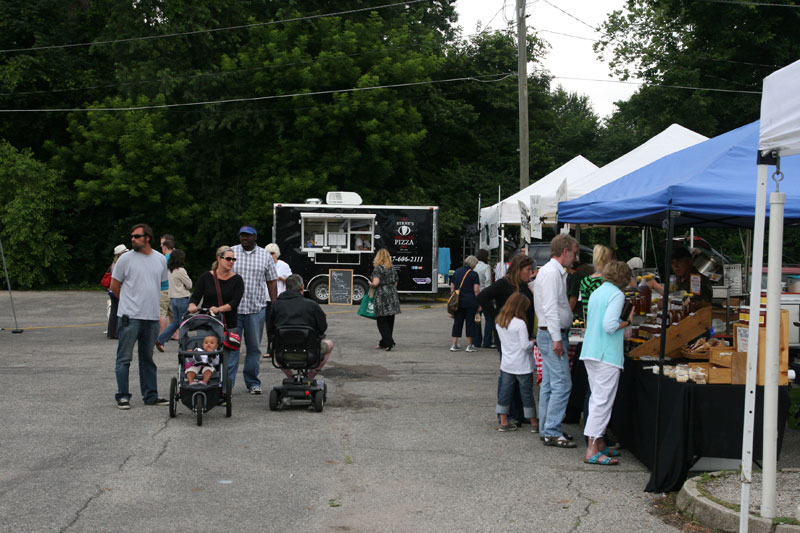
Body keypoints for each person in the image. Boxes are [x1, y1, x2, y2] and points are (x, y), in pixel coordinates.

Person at [110, 223, 169, 409]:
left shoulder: (160, 259)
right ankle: (123, 396)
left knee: (147, 358)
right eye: (132, 236)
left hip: (151, 317)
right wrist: (129, 304)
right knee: (124, 358)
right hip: (130, 317)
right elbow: (114, 286)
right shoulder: (125, 260)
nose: (133, 239)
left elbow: (162, 286)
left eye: (137, 236)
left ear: (147, 238)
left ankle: (150, 395)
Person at [581, 260, 634, 465]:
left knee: (597, 399)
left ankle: (599, 443)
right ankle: (592, 449)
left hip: (591, 351)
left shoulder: (599, 291)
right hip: (606, 354)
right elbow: (610, 325)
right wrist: (627, 322)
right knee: (602, 403)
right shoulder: (617, 294)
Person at [477, 254, 536, 427]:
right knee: (508, 378)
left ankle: (520, 413)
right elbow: (482, 297)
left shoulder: (524, 285)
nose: (530, 273)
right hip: (509, 337)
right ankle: (507, 414)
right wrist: (497, 317)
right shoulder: (504, 284)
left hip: (522, 334)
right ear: (519, 270)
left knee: (522, 380)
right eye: (527, 270)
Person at [533, 233, 578, 448]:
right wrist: (557, 339)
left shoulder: (551, 272)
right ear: (565, 251)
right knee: (562, 384)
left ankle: (547, 428)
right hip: (552, 333)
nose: (574, 258)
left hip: (550, 332)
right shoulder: (552, 273)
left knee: (551, 384)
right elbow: (550, 308)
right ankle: (551, 430)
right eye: (574, 253)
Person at [231, 226, 278, 394]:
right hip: (233, 310)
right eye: (242, 235)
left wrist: (274, 304)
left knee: (254, 348)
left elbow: (272, 280)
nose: (244, 238)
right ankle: (227, 385)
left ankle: (252, 382)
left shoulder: (265, 256)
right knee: (231, 347)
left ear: (255, 237)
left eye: (248, 236)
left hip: (256, 309)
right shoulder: (231, 253)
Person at [188, 246, 245, 387]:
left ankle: (225, 389)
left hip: (228, 323)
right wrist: (192, 305)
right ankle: (208, 384)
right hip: (208, 323)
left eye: (233, 259)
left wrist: (219, 309)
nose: (231, 262)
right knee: (206, 355)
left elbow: (234, 302)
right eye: (228, 259)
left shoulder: (237, 280)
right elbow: (195, 296)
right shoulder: (206, 277)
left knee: (227, 359)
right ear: (219, 259)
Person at [268, 274, 334, 378]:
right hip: (309, 351)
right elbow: (322, 327)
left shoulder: (276, 305)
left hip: (283, 352)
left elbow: (270, 329)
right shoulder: (312, 305)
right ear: (302, 287)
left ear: (285, 287)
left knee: (273, 344)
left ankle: (291, 377)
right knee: (329, 344)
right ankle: (309, 376)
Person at [495, 292, 539, 432]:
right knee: (526, 393)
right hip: (522, 365)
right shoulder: (520, 324)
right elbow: (525, 346)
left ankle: (503, 420)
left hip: (507, 363)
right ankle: (533, 422)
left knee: (505, 391)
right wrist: (533, 342)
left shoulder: (500, 321)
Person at [155, 249, 193, 351]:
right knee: (184, 323)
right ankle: (185, 344)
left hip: (173, 299)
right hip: (182, 298)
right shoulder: (181, 270)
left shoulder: (169, 270)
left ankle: (160, 339)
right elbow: (189, 285)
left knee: (176, 322)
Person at [647, 247, 713, 303]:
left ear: (689, 262)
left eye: (679, 261)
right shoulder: (677, 279)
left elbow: (697, 304)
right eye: (673, 263)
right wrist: (655, 285)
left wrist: (668, 303)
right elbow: (672, 294)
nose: (675, 266)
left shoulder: (698, 280)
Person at [263, 242, 293, 359]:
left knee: (282, 325)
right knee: (269, 325)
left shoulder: (283, 265)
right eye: (268, 253)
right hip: (267, 299)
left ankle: (283, 348)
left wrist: (281, 278)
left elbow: (291, 281)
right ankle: (270, 349)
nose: (270, 256)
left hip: (281, 299)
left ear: (277, 254)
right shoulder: (263, 265)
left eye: (272, 253)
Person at [370, 249, 401, 351]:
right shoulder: (392, 268)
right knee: (390, 321)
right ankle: (383, 343)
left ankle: (389, 342)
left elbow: (376, 283)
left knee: (381, 321)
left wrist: (370, 284)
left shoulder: (378, 269)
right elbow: (396, 283)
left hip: (382, 296)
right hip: (392, 295)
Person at [449, 255, 481, 352]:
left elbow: (452, 288)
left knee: (457, 322)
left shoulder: (456, 272)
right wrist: (479, 303)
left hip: (458, 302)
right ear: (473, 264)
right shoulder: (474, 274)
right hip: (471, 302)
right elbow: (476, 290)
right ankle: (469, 345)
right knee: (470, 323)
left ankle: (454, 344)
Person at [106, 244, 128, 340]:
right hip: (118, 289)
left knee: (114, 311)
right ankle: (119, 332)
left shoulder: (113, 264)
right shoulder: (120, 264)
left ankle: (112, 332)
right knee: (120, 311)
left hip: (111, 290)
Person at [473, 249, 493, 348]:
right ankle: (487, 341)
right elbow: (488, 281)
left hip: (474, 294)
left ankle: (476, 341)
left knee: (477, 317)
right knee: (489, 318)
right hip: (485, 294)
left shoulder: (473, 266)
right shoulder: (486, 267)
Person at [158, 235, 175, 336]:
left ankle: (163, 334)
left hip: (164, 287)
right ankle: (175, 334)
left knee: (162, 313)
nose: (161, 246)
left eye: (162, 244)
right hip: (173, 288)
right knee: (173, 313)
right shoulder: (177, 256)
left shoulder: (165, 258)